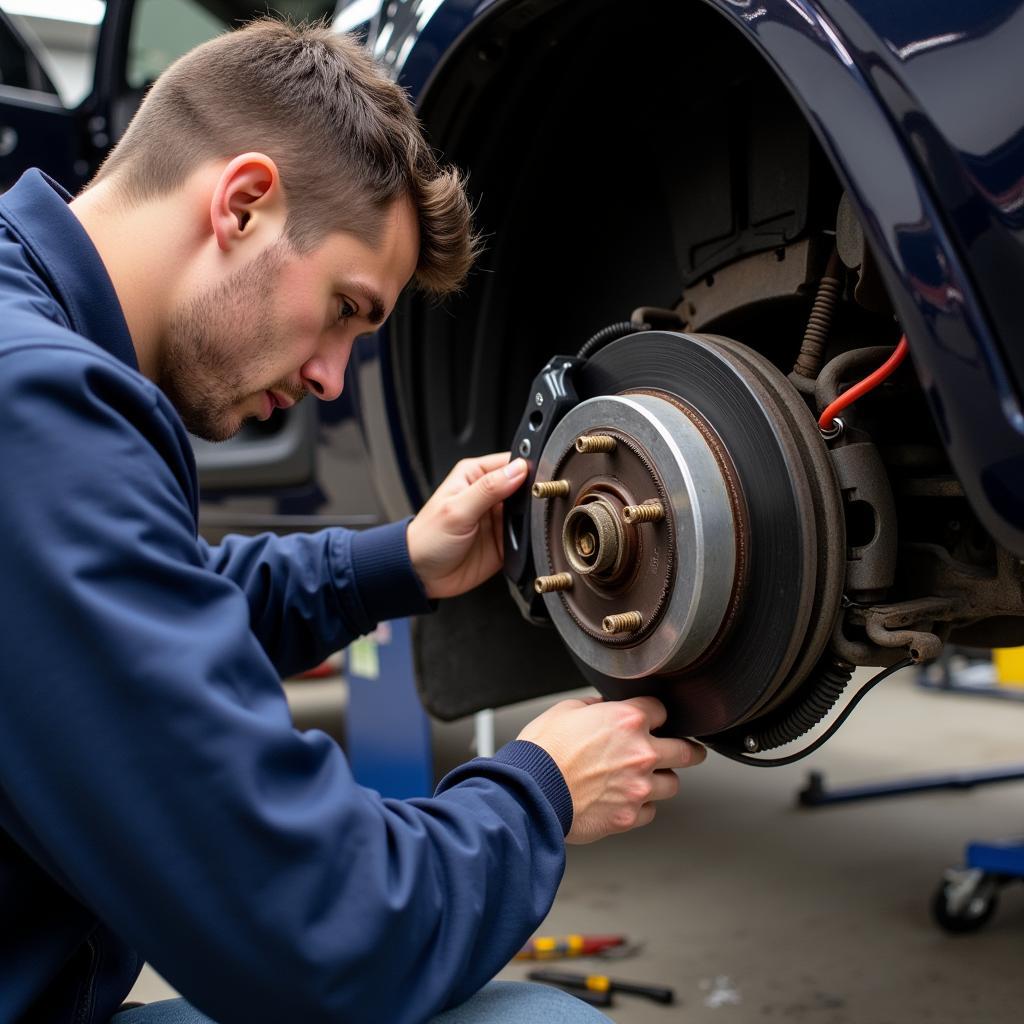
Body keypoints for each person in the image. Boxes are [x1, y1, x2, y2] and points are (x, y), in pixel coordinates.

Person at [0, 19, 704, 1024]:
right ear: (242, 204)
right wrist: (538, 792)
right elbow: (324, 935)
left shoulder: (26, 343)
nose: (332, 378)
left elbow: (114, 629)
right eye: (343, 306)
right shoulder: (35, 411)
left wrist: (396, 563)